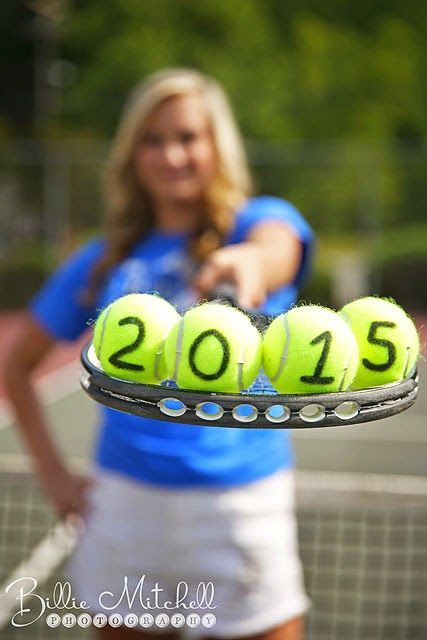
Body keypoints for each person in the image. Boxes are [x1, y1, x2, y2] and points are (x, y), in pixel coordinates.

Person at [3, 68, 313, 639]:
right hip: (127, 508)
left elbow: (279, 249)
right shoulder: (104, 260)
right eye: (153, 139)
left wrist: (247, 263)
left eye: (188, 137)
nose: (171, 154)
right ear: (132, 154)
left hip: (240, 507)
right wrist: (53, 475)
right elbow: (16, 366)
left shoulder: (256, 222)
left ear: (217, 145)